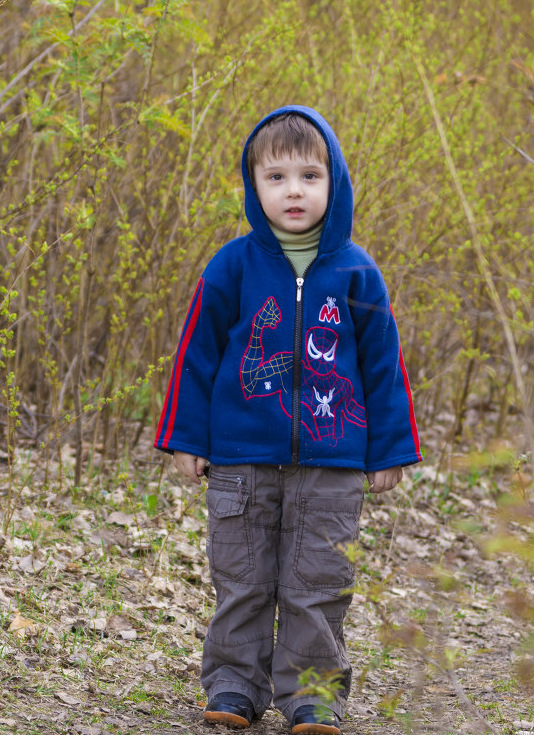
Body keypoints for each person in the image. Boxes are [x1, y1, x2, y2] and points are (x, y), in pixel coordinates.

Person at [153, 106, 421, 734]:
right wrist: (186, 437)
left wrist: (389, 449)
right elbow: (197, 354)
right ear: (254, 188)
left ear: (336, 184)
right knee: (242, 577)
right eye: (276, 178)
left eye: (309, 176)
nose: (294, 191)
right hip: (242, 458)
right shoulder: (232, 267)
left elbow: (384, 367)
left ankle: (313, 693)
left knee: (318, 580)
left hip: (333, 461)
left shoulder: (357, 272)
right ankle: (233, 684)